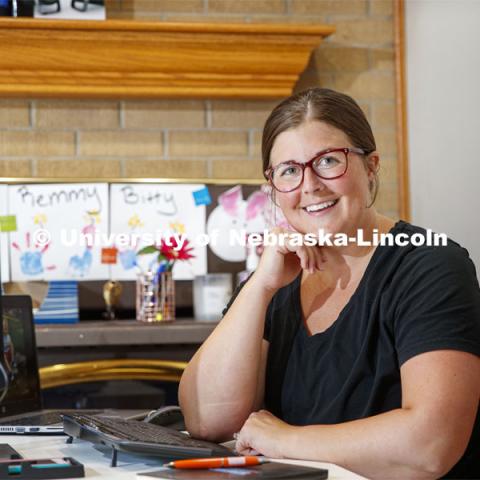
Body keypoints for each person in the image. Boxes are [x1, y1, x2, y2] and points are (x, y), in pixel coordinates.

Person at [179, 88, 480, 479]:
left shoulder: (431, 265)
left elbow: (429, 447)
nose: (310, 185)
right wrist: (260, 287)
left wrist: (283, 440)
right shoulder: (278, 276)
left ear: (371, 166)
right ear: (272, 188)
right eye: (288, 170)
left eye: (327, 161)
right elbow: (207, 420)